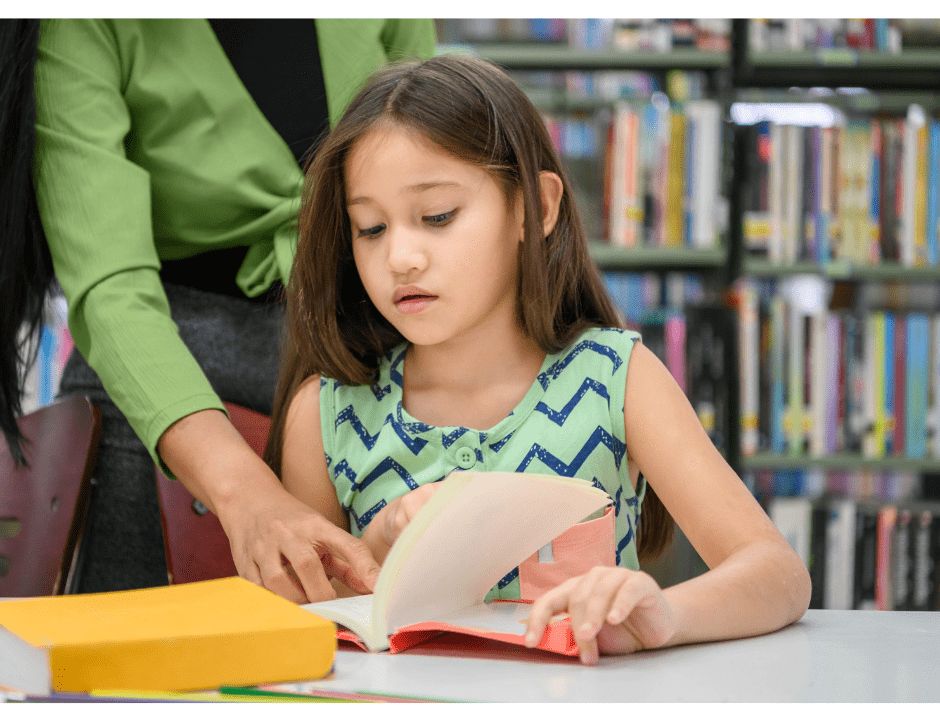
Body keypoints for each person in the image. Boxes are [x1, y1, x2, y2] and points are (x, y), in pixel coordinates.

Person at [264, 53, 812, 665]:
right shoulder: (326, 412)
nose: (401, 257)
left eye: (437, 216)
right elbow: (311, 633)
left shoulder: (615, 378)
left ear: (535, 208)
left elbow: (777, 574)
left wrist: (666, 615)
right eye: (370, 228)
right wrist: (381, 539)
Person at [0, 18, 435, 599]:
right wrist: (248, 496)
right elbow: (110, 290)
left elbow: (441, 186)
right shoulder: (83, 14)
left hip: (368, 356)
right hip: (165, 388)